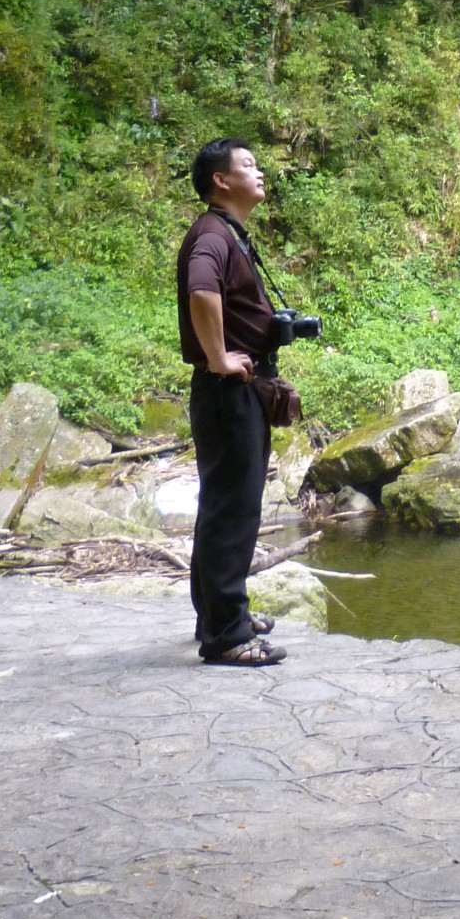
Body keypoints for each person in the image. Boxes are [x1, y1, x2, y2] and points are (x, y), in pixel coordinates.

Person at [177, 138, 285, 667]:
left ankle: (218, 614)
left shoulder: (227, 233)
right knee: (233, 510)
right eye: (248, 165)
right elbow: (202, 291)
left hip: (233, 392)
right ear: (222, 180)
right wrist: (219, 357)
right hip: (228, 392)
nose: (259, 172)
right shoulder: (212, 236)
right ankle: (227, 636)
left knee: (223, 506)